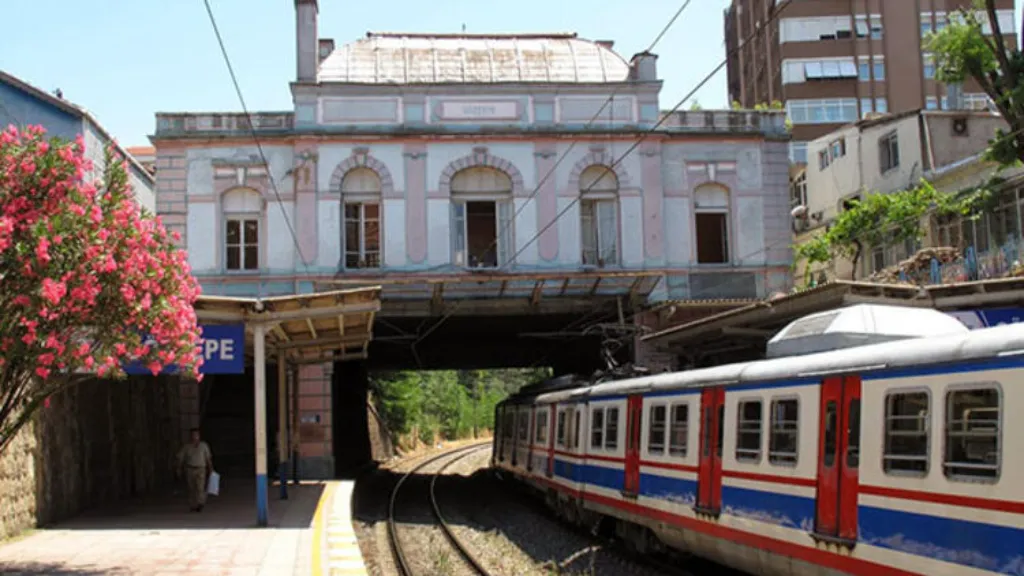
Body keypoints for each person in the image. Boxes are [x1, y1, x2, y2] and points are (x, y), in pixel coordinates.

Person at [177, 427, 213, 512]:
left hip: (201, 468)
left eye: (196, 435)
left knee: (200, 487)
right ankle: (193, 504)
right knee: (192, 488)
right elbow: (180, 458)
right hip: (190, 469)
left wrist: (210, 468)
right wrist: (178, 468)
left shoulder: (204, 446)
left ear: (199, 436)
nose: (195, 437)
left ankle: (200, 502)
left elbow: (208, 458)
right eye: (193, 435)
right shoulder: (187, 447)